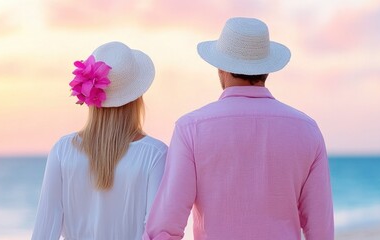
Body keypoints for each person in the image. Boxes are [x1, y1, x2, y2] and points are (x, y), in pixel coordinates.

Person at [143, 17, 334, 240]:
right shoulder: (307, 130)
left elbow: (165, 228)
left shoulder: (191, 129)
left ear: (221, 67)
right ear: (267, 69)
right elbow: (320, 232)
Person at [32, 41, 168, 240]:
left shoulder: (63, 151)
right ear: (137, 97)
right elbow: (156, 230)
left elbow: (44, 231)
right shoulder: (155, 154)